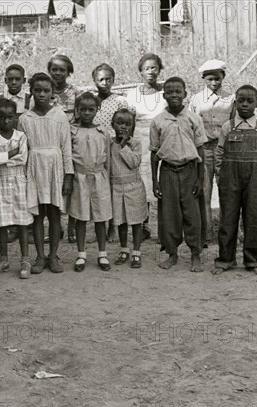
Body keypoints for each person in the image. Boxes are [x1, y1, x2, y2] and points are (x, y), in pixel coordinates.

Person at [212, 85, 257, 276]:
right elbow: (219, 154)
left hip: (256, 179)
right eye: (241, 100)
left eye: (250, 101)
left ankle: (252, 260)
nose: (245, 104)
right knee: (227, 220)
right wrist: (220, 178)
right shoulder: (227, 127)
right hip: (230, 180)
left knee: (254, 220)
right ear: (235, 102)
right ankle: (225, 259)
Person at [18, 73, 73, 274]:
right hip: (34, 169)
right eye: (37, 90)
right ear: (31, 91)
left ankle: (53, 255)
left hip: (55, 168)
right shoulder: (25, 119)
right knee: (38, 215)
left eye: (46, 90)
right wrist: (23, 176)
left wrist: (68, 175)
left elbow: (66, 147)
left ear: (52, 92)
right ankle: (40, 256)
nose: (42, 94)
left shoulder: (60, 115)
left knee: (54, 214)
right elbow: (23, 150)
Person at [150, 77, 207, 272]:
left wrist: (200, 179)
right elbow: (154, 153)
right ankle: (172, 253)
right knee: (169, 215)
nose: (174, 95)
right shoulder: (157, 121)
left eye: (178, 91)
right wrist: (155, 181)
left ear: (185, 94)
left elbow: (200, 150)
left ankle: (195, 254)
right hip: (167, 172)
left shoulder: (193, 118)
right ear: (163, 95)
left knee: (192, 215)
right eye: (169, 92)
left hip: (189, 171)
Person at [0, 99, 32, 279]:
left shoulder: (21, 136)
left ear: (15, 118)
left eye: (10, 117)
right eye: (1, 117)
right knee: (2, 224)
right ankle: (3, 259)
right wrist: (11, 153)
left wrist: (1, 157)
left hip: (19, 181)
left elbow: (23, 159)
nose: (5, 121)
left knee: (21, 222)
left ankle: (25, 259)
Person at [189, 59, 235, 245]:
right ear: (203, 79)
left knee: (227, 191)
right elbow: (191, 125)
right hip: (204, 149)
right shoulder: (196, 99)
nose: (214, 83)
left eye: (217, 78)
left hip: (224, 150)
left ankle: (227, 233)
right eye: (209, 79)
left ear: (223, 77)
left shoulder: (230, 99)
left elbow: (235, 124)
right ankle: (205, 233)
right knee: (204, 191)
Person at [69, 92, 112, 272]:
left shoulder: (103, 132)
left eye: (91, 109)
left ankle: (102, 254)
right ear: (77, 110)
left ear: (97, 110)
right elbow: (68, 157)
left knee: (100, 217)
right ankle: (81, 254)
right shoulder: (72, 131)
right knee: (81, 217)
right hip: (80, 178)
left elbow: (108, 158)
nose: (87, 113)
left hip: (99, 178)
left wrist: (108, 179)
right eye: (83, 109)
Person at [126, 53, 166, 242]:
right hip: (139, 142)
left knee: (161, 182)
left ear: (160, 69)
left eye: (154, 67)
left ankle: (162, 228)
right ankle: (143, 225)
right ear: (140, 71)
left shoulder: (166, 92)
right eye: (147, 68)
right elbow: (128, 121)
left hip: (162, 141)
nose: (151, 71)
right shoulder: (132, 95)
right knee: (141, 184)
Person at [0, 63, 31, 244]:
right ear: (5, 80)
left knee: (24, 192)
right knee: (5, 196)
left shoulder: (29, 99)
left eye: (17, 79)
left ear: (24, 80)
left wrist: (19, 152)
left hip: (24, 144)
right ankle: (11, 227)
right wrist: (5, 154)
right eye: (10, 79)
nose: (13, 83)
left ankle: (26, 227)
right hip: (1, 145)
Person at [91, 62, 132, 243]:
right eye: (101, 79)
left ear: (114, 80)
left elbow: (130, 122)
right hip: (96, 149)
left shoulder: (120, 101)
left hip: (114, 148)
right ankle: (99, 224)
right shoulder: (90, 101)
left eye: (108, 79)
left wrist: (123, 142)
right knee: (99, 188)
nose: (105, 83)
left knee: (114, 187)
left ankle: (113, 227)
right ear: (94, 81)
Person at [48, 54, 81, 243]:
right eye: (54, 69)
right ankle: (56, 226)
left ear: (69, 72)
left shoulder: (75, 92)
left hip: (71, 142)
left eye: (62, 70)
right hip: (50, 143)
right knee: (53, 184)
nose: (58, 73)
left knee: (72, 185)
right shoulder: (45, 90)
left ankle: (72, 227)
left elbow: (78, 118)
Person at [110, 109, 148, 268]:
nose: (123, 127)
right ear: (112, 125)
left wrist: (124, 145)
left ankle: (136, 252)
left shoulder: (136, 143)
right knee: (121, 221)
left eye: (127, 124)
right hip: (116, 187)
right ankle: (124, 249)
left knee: (136, 221)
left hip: (134, 186)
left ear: (133, 126)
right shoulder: (109, 143)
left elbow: (134, 163)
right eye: (119, 123)